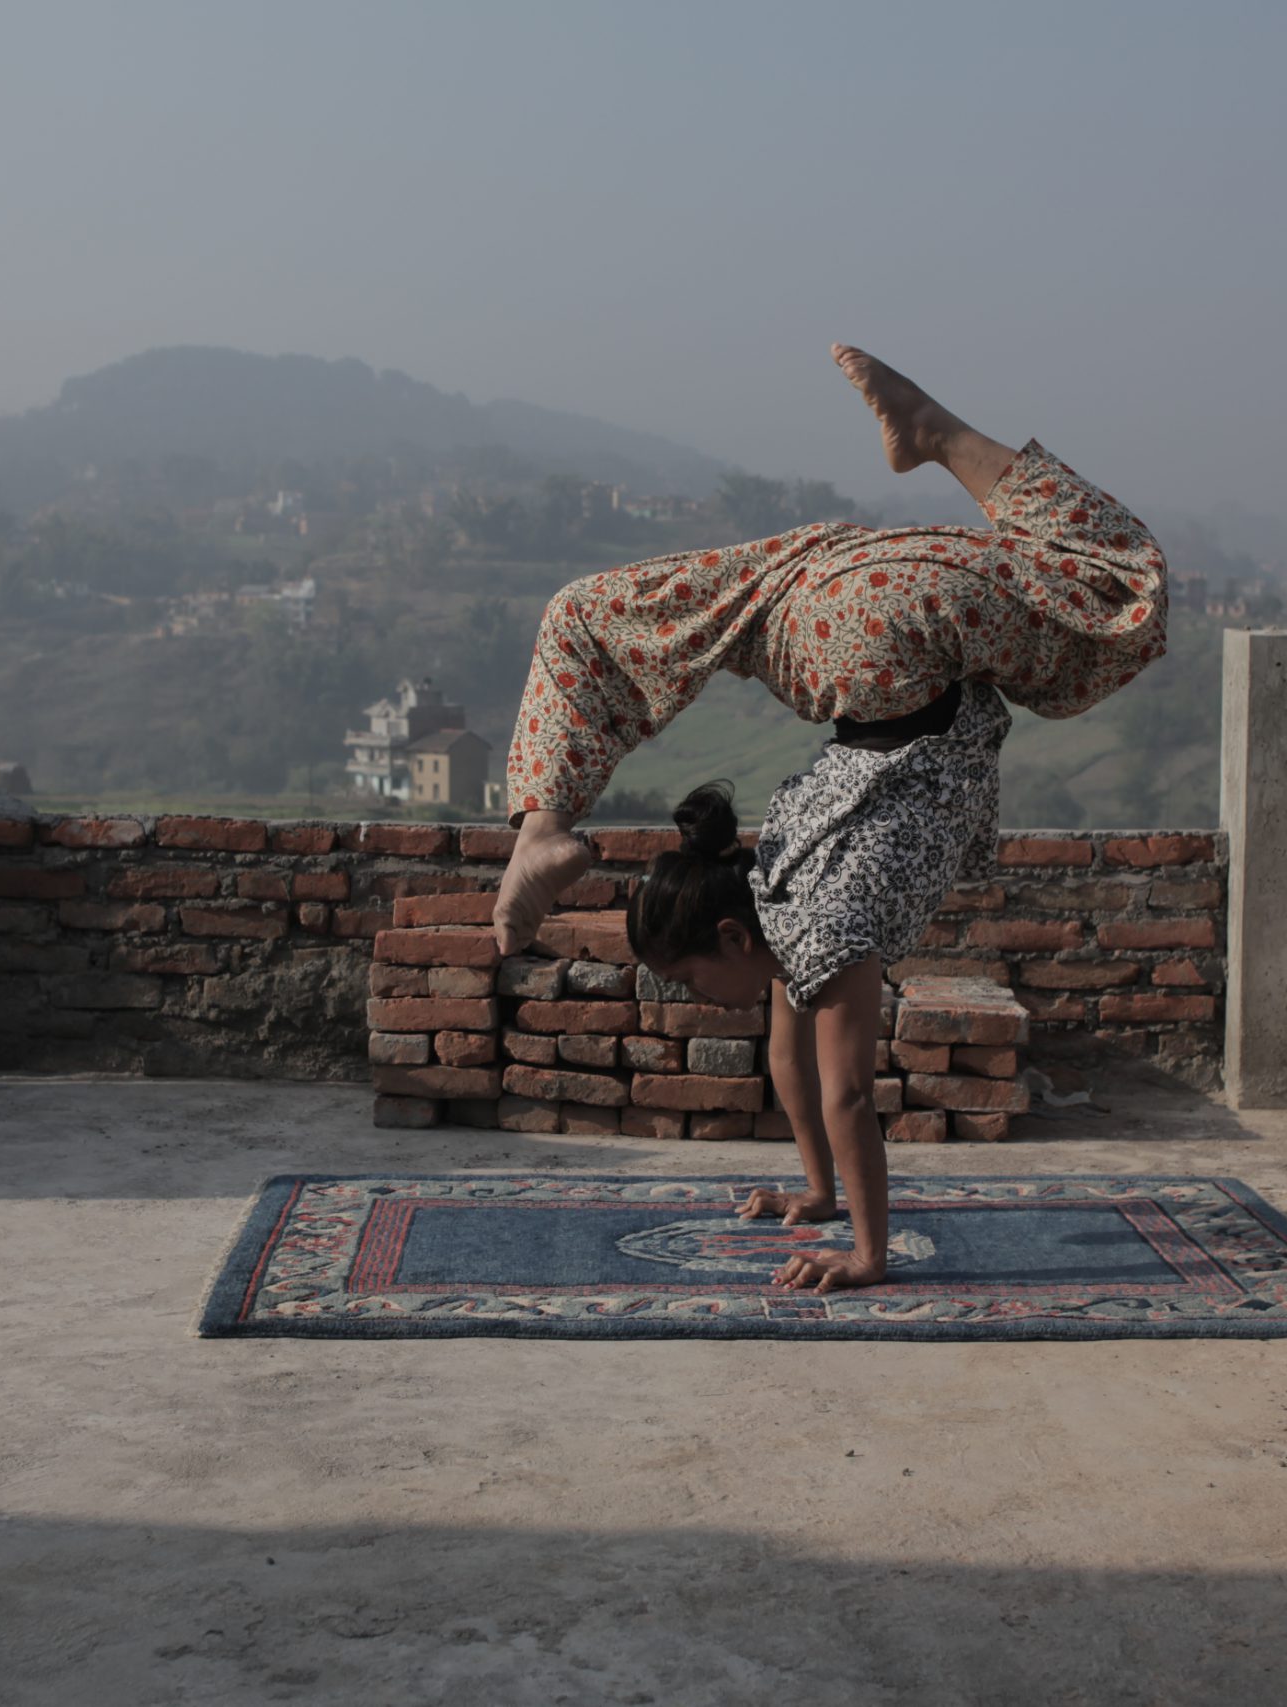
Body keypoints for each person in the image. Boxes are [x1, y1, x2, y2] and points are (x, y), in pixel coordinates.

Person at [496, 344, 1170, 1292]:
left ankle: (933, 429)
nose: (700, 1004)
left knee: (1122, 593)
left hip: (886, 631)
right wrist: (813, 1192)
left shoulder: (814, 919)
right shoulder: (771, 883)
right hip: (829, 588)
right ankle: (542, 823)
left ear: (731, 937)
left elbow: (848, 1091)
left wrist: (864, 1251)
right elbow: (788, 1056)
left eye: (693, 981)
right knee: (583, 613)